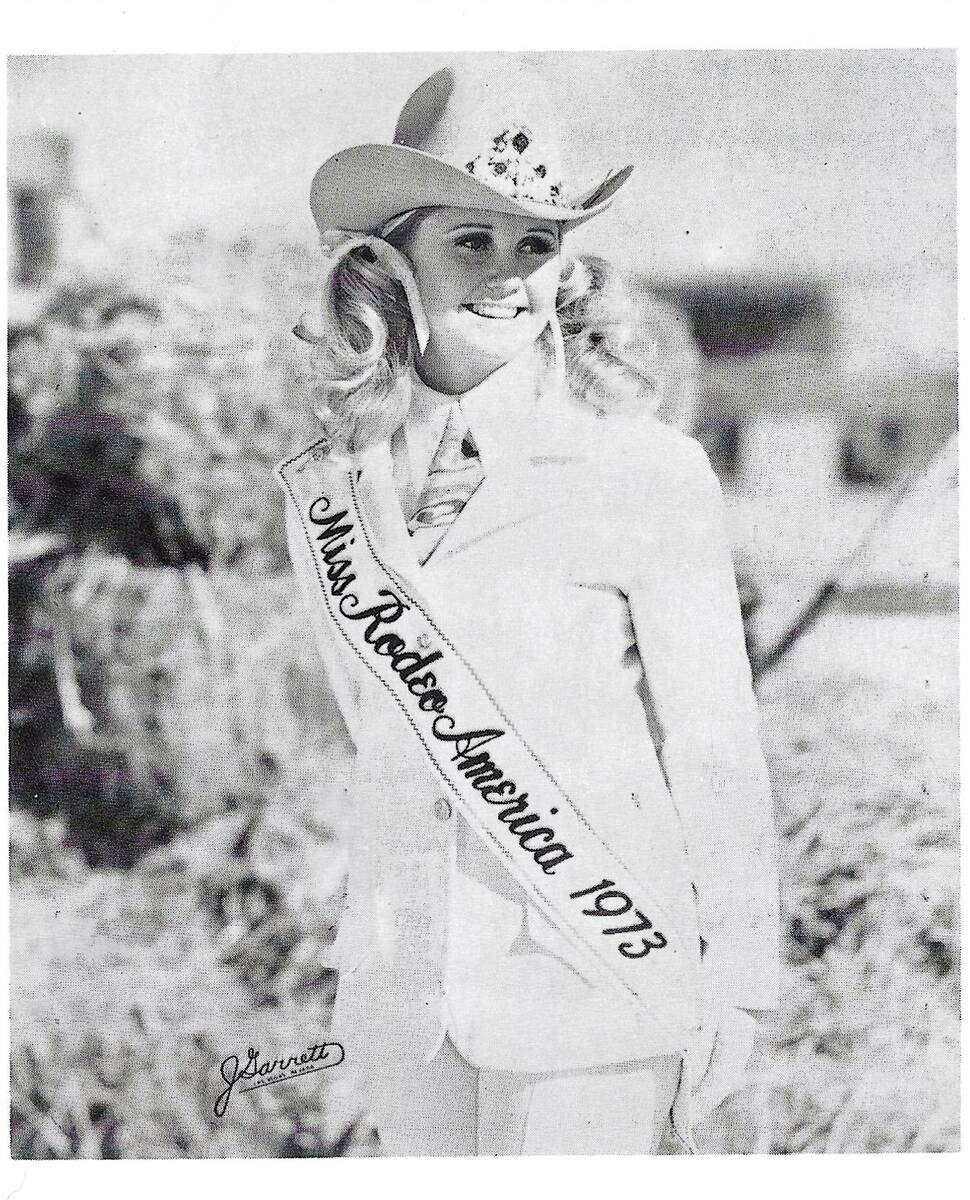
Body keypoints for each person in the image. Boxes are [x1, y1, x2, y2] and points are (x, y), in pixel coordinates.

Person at [277, 63, 780, 1156]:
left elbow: (713, 744)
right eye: (472, 241)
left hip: (593, 965)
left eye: (535, 244)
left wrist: (738, 978)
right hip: (408, 988)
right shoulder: (330, 489)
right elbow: (372, 725)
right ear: (389, 260)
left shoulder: (644, 471)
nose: (508, 275)